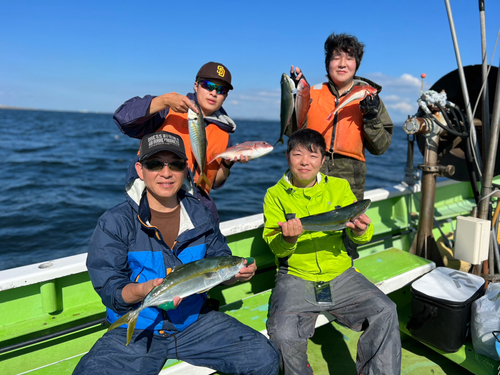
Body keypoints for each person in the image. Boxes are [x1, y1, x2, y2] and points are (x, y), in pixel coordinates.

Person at [73, 131, 279, 375]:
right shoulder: (115, 222)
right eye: (155, 164)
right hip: (139, 325)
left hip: (194, 320)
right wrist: (142, 291)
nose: (166, 172)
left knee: (264, 358)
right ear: (140, 170)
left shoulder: (201, 214)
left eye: (176, 164)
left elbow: (218, 257)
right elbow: (109, 287)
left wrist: (238, 274)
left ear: (185, 169)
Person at [262, 129, 401, 375]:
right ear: (287, 157)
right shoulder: (274, 195)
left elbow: (361, 234)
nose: (305, 162)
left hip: (340, 273)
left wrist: (360, 232)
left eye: (313, 156)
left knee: (385, 310)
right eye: (298, 155)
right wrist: (288, 239)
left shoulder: (340, 187)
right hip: (296, 275)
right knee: (283, 335)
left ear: (323, 161)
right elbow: (274, 245)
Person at [114, 61, 245, 222]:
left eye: (221, 90)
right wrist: (164, 101)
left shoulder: (224, 133)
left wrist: (227, 163)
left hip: (197, 203)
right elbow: (123, 118)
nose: (213, 92)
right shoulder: (168, 109)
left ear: (225, 96)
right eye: (208, 85)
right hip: (154, 198)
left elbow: (215, 182)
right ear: (196, 86)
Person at [291, 33, 393, 201]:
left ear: (357, 64)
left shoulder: (370, 96)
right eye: (336, 57)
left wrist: (372, 117)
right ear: (327, 63)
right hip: (309, 173)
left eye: (350, 58)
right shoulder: (310, 93)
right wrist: (296, 98)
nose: (342, 64)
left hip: (351, 180)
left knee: (346, 225)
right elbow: (293, 135)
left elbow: (380, 148)